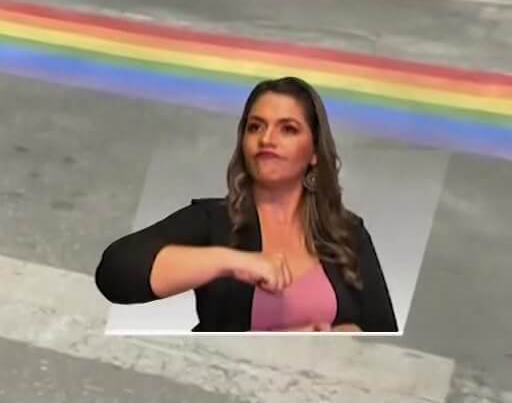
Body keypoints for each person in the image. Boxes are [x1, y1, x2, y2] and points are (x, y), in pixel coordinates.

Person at [95, 76, 397, 332]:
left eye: (288, 129)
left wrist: (349, 336)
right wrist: (234, 262)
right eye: (255, 127)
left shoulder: (346, 230)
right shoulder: (213, 220)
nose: (267, 139)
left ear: (315, 152)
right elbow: (115, 274)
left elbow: (382, 334)